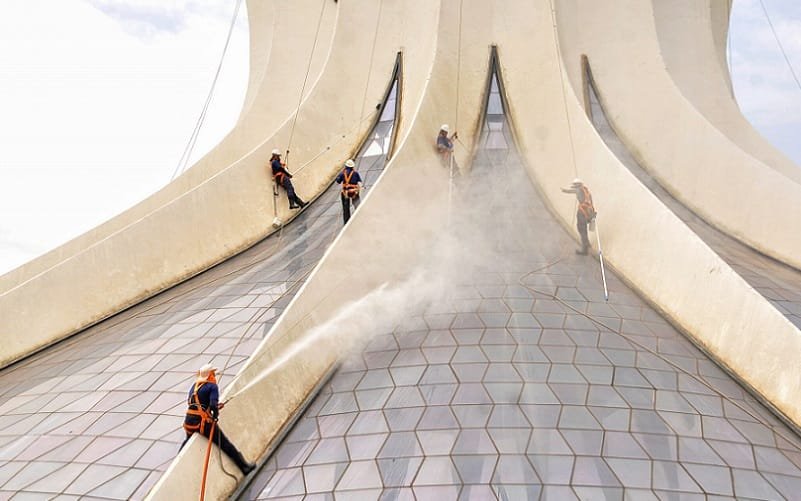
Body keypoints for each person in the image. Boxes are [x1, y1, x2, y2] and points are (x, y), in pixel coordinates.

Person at [181, 364, 255, 475]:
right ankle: (244, 467)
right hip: (204, 423)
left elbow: (196, 403)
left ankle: (179, 456)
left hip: (189, 422)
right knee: (225, 444)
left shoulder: (194, 386)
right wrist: (215, 415)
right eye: (213, 373)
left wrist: (211, 408)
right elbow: (212, 405)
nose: (214, 375)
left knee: (186, 441)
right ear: (210, 375)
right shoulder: (212, 387)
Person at [561, 178, 596, 255]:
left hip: (582, 212)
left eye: (574, 185)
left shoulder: (578, 190)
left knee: (581, 229)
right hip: (588, 213)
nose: (574, 186)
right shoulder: (587, 191)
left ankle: (585, 249)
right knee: (584, 229)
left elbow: (569, 191)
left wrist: (563, 190)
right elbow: (591, 203)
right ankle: (587, 244)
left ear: (577, 185)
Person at [335, 159, 363, 224]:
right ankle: (360, 218)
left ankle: (347, 223)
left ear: (345, 166)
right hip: (354, 192)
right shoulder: (355, 173)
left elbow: (338, 181)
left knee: (346, 208)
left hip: (345, 193)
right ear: (352, 167)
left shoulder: (342, 173)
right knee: (357, 205)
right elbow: (359, 182)